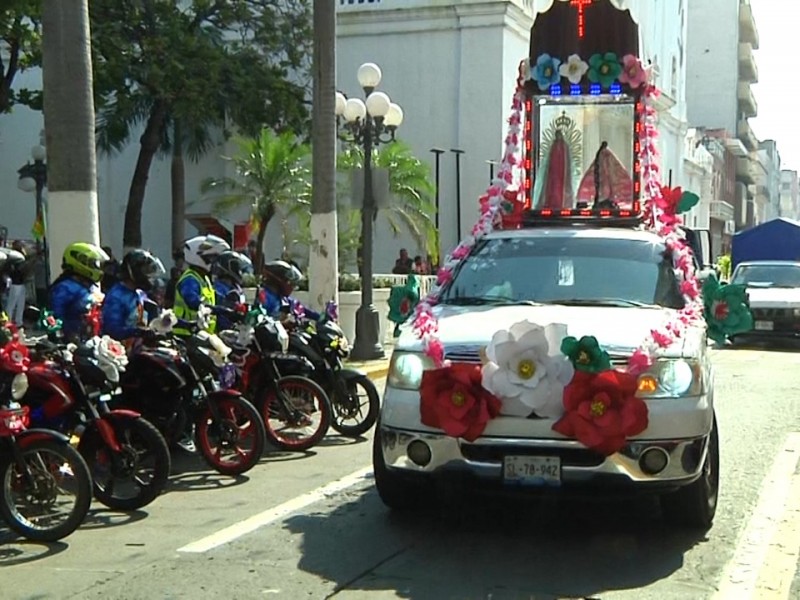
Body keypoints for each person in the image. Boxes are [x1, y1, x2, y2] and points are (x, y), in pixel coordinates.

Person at [101, 249, 165, 343]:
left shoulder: (139, 293)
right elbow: (113, 330)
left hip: (138, 345)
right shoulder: (116, 296)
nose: (149, 276)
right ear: (136, 271)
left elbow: (140, 321)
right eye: (145, 271)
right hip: (119, 350)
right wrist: (138, 332)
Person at [48, 243, 109, 340]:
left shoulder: (88, 285)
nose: (97, 268)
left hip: (92, 341)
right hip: (72, 343)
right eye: (93, 264)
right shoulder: (65, 287)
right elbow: (54, 318)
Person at [173, 234, 230, 335]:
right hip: (185, 335)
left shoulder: (204, 278)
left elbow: (215, 297)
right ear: (198, 256)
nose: (213, 262)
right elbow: (193, 301)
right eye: (210, 258)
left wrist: (233, 306)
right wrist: (218, 310)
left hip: (203, 335)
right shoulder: (190, 279)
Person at [255, 260, 320, 322]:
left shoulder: (283, 299)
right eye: (291, 284)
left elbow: (301, 309)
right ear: (278, 281)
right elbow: (263, 321)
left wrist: (321, 318)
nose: (292, 287)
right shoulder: (265, 297)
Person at [212, 250, 252, 330]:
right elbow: (222, 306)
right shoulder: (219, 286)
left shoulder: (236, 286)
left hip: (238, 327)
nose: (241, 273)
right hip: (223, 329)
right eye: (240, 269)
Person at [4, 242, 28, 326]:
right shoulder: (13, 257)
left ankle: (19, 322)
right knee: (11, 304)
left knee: (20, 304)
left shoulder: (20, 256)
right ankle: (8, 321)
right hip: (15, 283)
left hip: (21, 282)